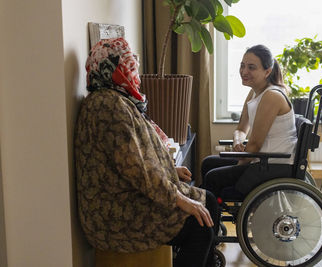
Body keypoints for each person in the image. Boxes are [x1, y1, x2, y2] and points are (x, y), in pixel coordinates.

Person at [74, 37, 219, 267]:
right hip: (117, 216)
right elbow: (137, 170)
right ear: (113, 70)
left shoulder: (115, 100)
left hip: (125, 199)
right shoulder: (108, 106)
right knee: (200, 226)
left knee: (208, 203)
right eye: (129, 64)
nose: (135, 71)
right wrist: (179, 199)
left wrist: (170, 168)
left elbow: (134, 157)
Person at [201, 44, 297, 197]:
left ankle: (207, 215)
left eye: (251, 67)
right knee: (208, 163)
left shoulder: (272, 96)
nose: (244, 72)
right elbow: (241, 129)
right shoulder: (255, 92)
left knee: (213, 177)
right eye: (242, 66)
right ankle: (207, 212)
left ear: (267, 72)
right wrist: (238, 142)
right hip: (260, 160)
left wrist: (237, 167)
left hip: (273, 166)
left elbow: (255, 144)